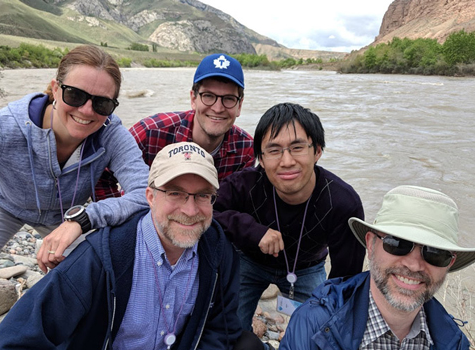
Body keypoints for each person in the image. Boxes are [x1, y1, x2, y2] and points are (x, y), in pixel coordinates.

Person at [0, 142, 247, 350]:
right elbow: (14, 340)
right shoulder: (98, 260)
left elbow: (221, 327)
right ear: (150, 197)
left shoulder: (218, 251)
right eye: (175, 192)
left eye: (202, 195)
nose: (190, 210)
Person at [0, 45, 149, 349]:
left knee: (101, 276)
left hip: (64, 216)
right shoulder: (6, 126)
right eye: (75, 95)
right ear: (55, 89)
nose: (86, 111)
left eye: (102, 103)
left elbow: (146, 194)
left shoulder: (110, 134)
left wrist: (84, 219)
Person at [214, 102, 366, 332]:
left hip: (308, 267)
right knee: (226, 328)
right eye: (274, 150)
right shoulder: (245, 185)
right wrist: (252, 230)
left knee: (323, 330)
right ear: (261, 160)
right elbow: (207, 211)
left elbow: (345, 279)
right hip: (250, 261)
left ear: (317, 151)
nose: (286, 161)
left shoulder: (342, 203)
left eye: (297, 148)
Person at [280, 185, 475, 350]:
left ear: (449, 263)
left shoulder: (455, 342)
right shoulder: (314, 326)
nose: (414, 265)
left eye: (435, 253)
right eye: (398, 243)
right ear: (371, 245)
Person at [94, 53, 254, 200]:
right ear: (193, 98)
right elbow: (100, 175)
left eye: (229, 99)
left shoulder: (246, 150)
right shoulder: (150, 133)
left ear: (239, 105)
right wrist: (117, 216)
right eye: (208, 96)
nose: (218, 108)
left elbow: (236, 204)